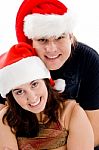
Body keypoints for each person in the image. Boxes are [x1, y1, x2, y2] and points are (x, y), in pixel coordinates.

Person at [0, 42, 94, 150]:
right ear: (12, 96)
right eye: (19, 92)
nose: (32, 97)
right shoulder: (5, 119)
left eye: (34, 84)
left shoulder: (71, 112)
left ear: (46, 81)